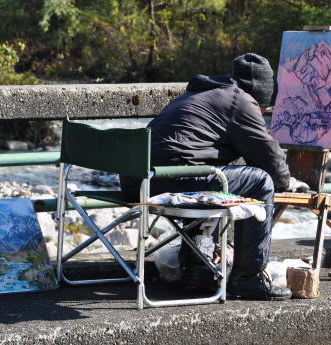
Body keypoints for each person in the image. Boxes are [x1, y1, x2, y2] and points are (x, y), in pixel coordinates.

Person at [120, 53, 309, 300]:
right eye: (266, 108)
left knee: (211, 180)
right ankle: (248, 277)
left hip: (139, 182)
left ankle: (197, 271)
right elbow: (271, 162)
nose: (263, 113)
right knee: (260, 181)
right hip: (170, 181)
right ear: (261, 95)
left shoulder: (197, 94)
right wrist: (288, 183)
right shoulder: (240, 101)